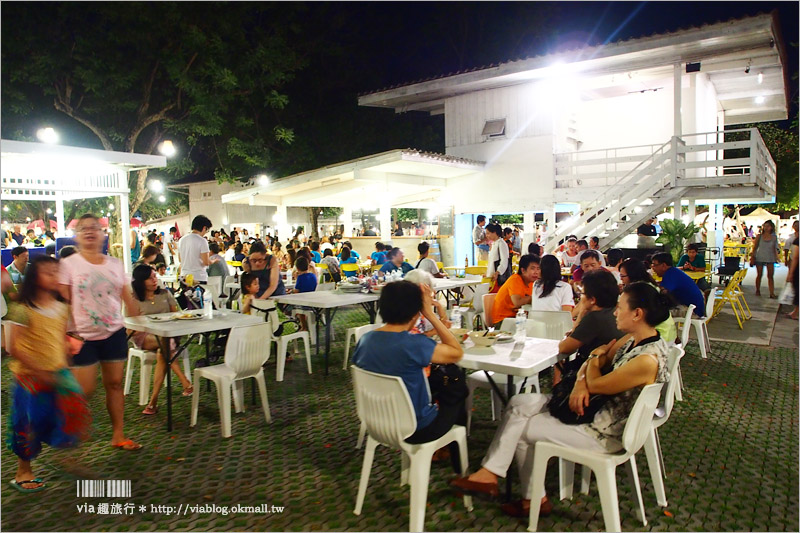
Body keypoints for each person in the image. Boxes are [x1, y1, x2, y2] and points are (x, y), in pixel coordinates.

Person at [450, 282, 670, 518]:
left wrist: (593, 360)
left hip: (605, 431)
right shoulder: (632, 339)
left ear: (637, 314)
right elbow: (594, 366)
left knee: (521, 431)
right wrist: (580, 381)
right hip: (595, 409)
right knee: (519, 403)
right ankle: (491, 475)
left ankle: (530, 498)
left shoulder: (647, 359)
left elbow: (596, 374)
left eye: (620, 307)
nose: (615, 312)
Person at [6, 255, 90, 493]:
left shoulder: (62, 308)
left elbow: (61, 338)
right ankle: (23, 471)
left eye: (57, 271)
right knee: (27, 423)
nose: (54, 276)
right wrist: (37, 370)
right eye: (48, 272)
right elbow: (13, 346)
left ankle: (66, 459)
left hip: (58, 372)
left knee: (70, 415)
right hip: (29, 378)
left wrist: (67, 357)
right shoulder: (22, 309)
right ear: (34, 277)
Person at [59, 213, 142, 451]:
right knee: (84, 390)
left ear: (102, 234)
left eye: (94, 227)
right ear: (76, 236)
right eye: (83, 228)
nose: (89, 231)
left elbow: (128, 297)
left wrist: (140, 326)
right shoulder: (68, 265)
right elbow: (63, 303)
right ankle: (67, 435)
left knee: (115, 384)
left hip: (113, 333)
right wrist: (62, 335)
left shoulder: (115, 264)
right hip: (81, 336)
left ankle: (119, 434)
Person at [353, 280, 465, 450]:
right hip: (418, 428)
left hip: (377, 423)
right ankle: (454, 459)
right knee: (457, 388)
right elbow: (456, 353)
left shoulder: (365, 340)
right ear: (415, 313)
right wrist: (430, 313)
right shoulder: (414, 344)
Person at [129, 265, 193, 415]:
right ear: (140, 281)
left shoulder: (165, 294)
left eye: (155, 276)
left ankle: (153, 402)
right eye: (150, 278)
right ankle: (184, 381)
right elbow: (130, 328)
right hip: (144, 336)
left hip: (169, 335)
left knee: (162, 352)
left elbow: (176, 315)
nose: (154, 280)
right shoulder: (134, 299)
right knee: (163, 342)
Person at [556, 270, 625, 383]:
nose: (581, 297)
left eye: (582, 294)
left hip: (592, 374)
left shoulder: (594, 318)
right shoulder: (614, 312)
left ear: (592, 300)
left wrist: (581, 313)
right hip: (611, 372)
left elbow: (563, 348)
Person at [619, 258, 678, 342]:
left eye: (622, 276)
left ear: (632, 275)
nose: (621, 279)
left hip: (660, 337)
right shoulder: (648, 285)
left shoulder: (641, 291)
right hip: (668, 333)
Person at [650, 252, 706, 318]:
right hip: (696, 307)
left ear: (663, 266)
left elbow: (662, 291)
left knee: (655, 313)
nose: (652, 268)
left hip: (692, 312)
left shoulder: (670, 275)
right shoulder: (674, 271)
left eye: (654, 265)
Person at [492, 254, 540, 326]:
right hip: (503, 321)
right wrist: (533, 298)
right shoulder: (515, 280)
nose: (536, 272)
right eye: (532, 268)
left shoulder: (531, 283)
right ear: (523, 270)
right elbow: (517, 302)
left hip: (518, 318)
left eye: (538, 269)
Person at [750, 220, 781, 298]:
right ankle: (757, 290)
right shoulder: (759, 236)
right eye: (765, 226)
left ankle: (771, 293)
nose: (766, 228)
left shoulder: (774, 237)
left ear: (771, 227)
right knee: (759, 275)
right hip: (759, 257)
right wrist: (752, 257)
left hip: (770, 258)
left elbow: (775, 248)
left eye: (768, 226)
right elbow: (755, 247)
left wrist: (777, 257)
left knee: (770, 276)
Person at [178, 215, 212, 285]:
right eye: (207, 230)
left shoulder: (182, 240)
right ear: (204, 228)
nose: (206, 232)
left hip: (184, 276)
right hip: (198, 277)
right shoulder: (202, 241)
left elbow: (180, 259)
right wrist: (213, 261)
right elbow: (206, 262)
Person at [486, 223, 511, 292]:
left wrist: (497, 272)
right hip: (493, 277)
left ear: (495, 232)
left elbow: (504, 261)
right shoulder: (494, 244)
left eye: (488, 233)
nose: (487, 236)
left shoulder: (501, 243)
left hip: (498, 278)